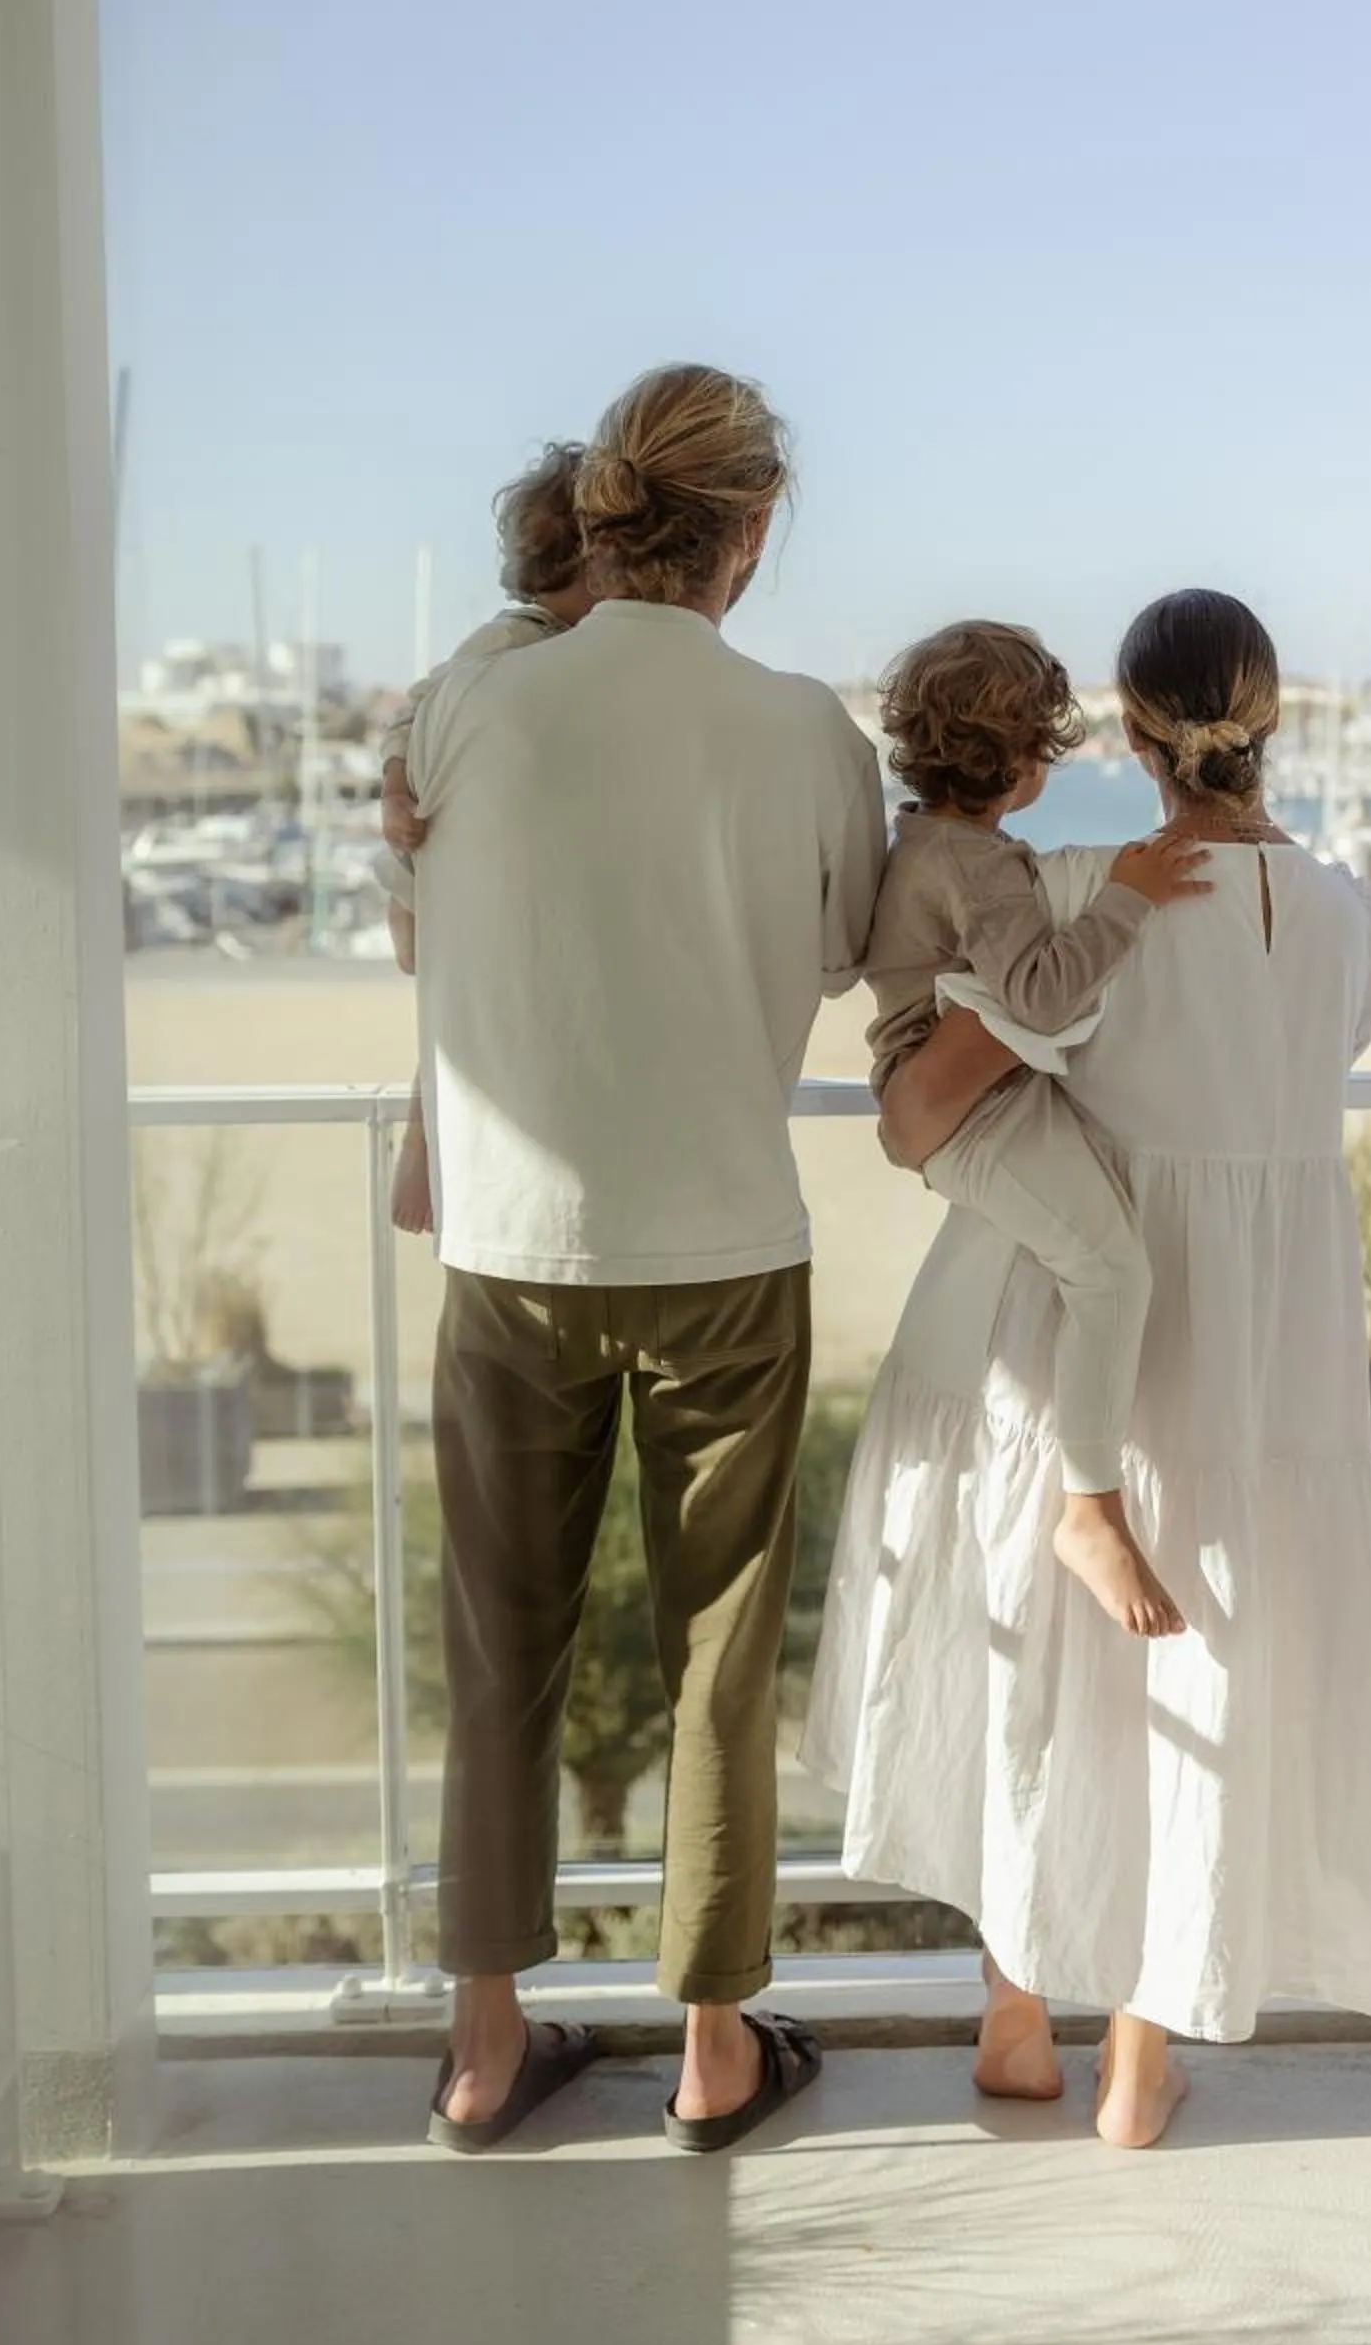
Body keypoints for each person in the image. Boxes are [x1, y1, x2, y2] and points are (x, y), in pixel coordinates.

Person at [805, 588, 1371, 2148]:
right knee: (1202, 1660)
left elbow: (932, 1099)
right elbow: (1310, 1056)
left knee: (1041, 1667)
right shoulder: (1344, 911)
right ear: (1267, 721)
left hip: (1066, 1315)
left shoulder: (1089, 887)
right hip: (1266, 1344)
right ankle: (1142, 2057)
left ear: (1135, 739)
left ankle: (1016, 2016)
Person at [406, 364, 887, 2154]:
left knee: (499, 1650)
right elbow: (845, 948)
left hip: (511, 1245)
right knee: (718, 1661)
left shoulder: (476, 698)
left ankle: (482, 2053)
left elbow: (421, 873)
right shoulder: (806, 731)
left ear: (606, 516)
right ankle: (712, 2051)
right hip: (723, 1247)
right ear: (751, 534)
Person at [864, 620, 1209, 1636]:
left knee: (1102, 1250)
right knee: (1112, 1273)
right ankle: (1089, 1507)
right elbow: (1044, 994)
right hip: (971, 1114)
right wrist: (1129, 898)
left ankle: (1091, 1492)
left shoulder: (929, 842)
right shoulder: (973, 865)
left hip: (971, 1100)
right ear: (1016, 762)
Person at [377, 441, 594, 1234]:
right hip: (423, 853)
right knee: (449, 1001)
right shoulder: (513, 646)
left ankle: (426, 1149)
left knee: (455, 999)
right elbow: (414, 710)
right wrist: (394, 786)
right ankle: (420, 1150)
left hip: (433, 850)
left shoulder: (541, 645)